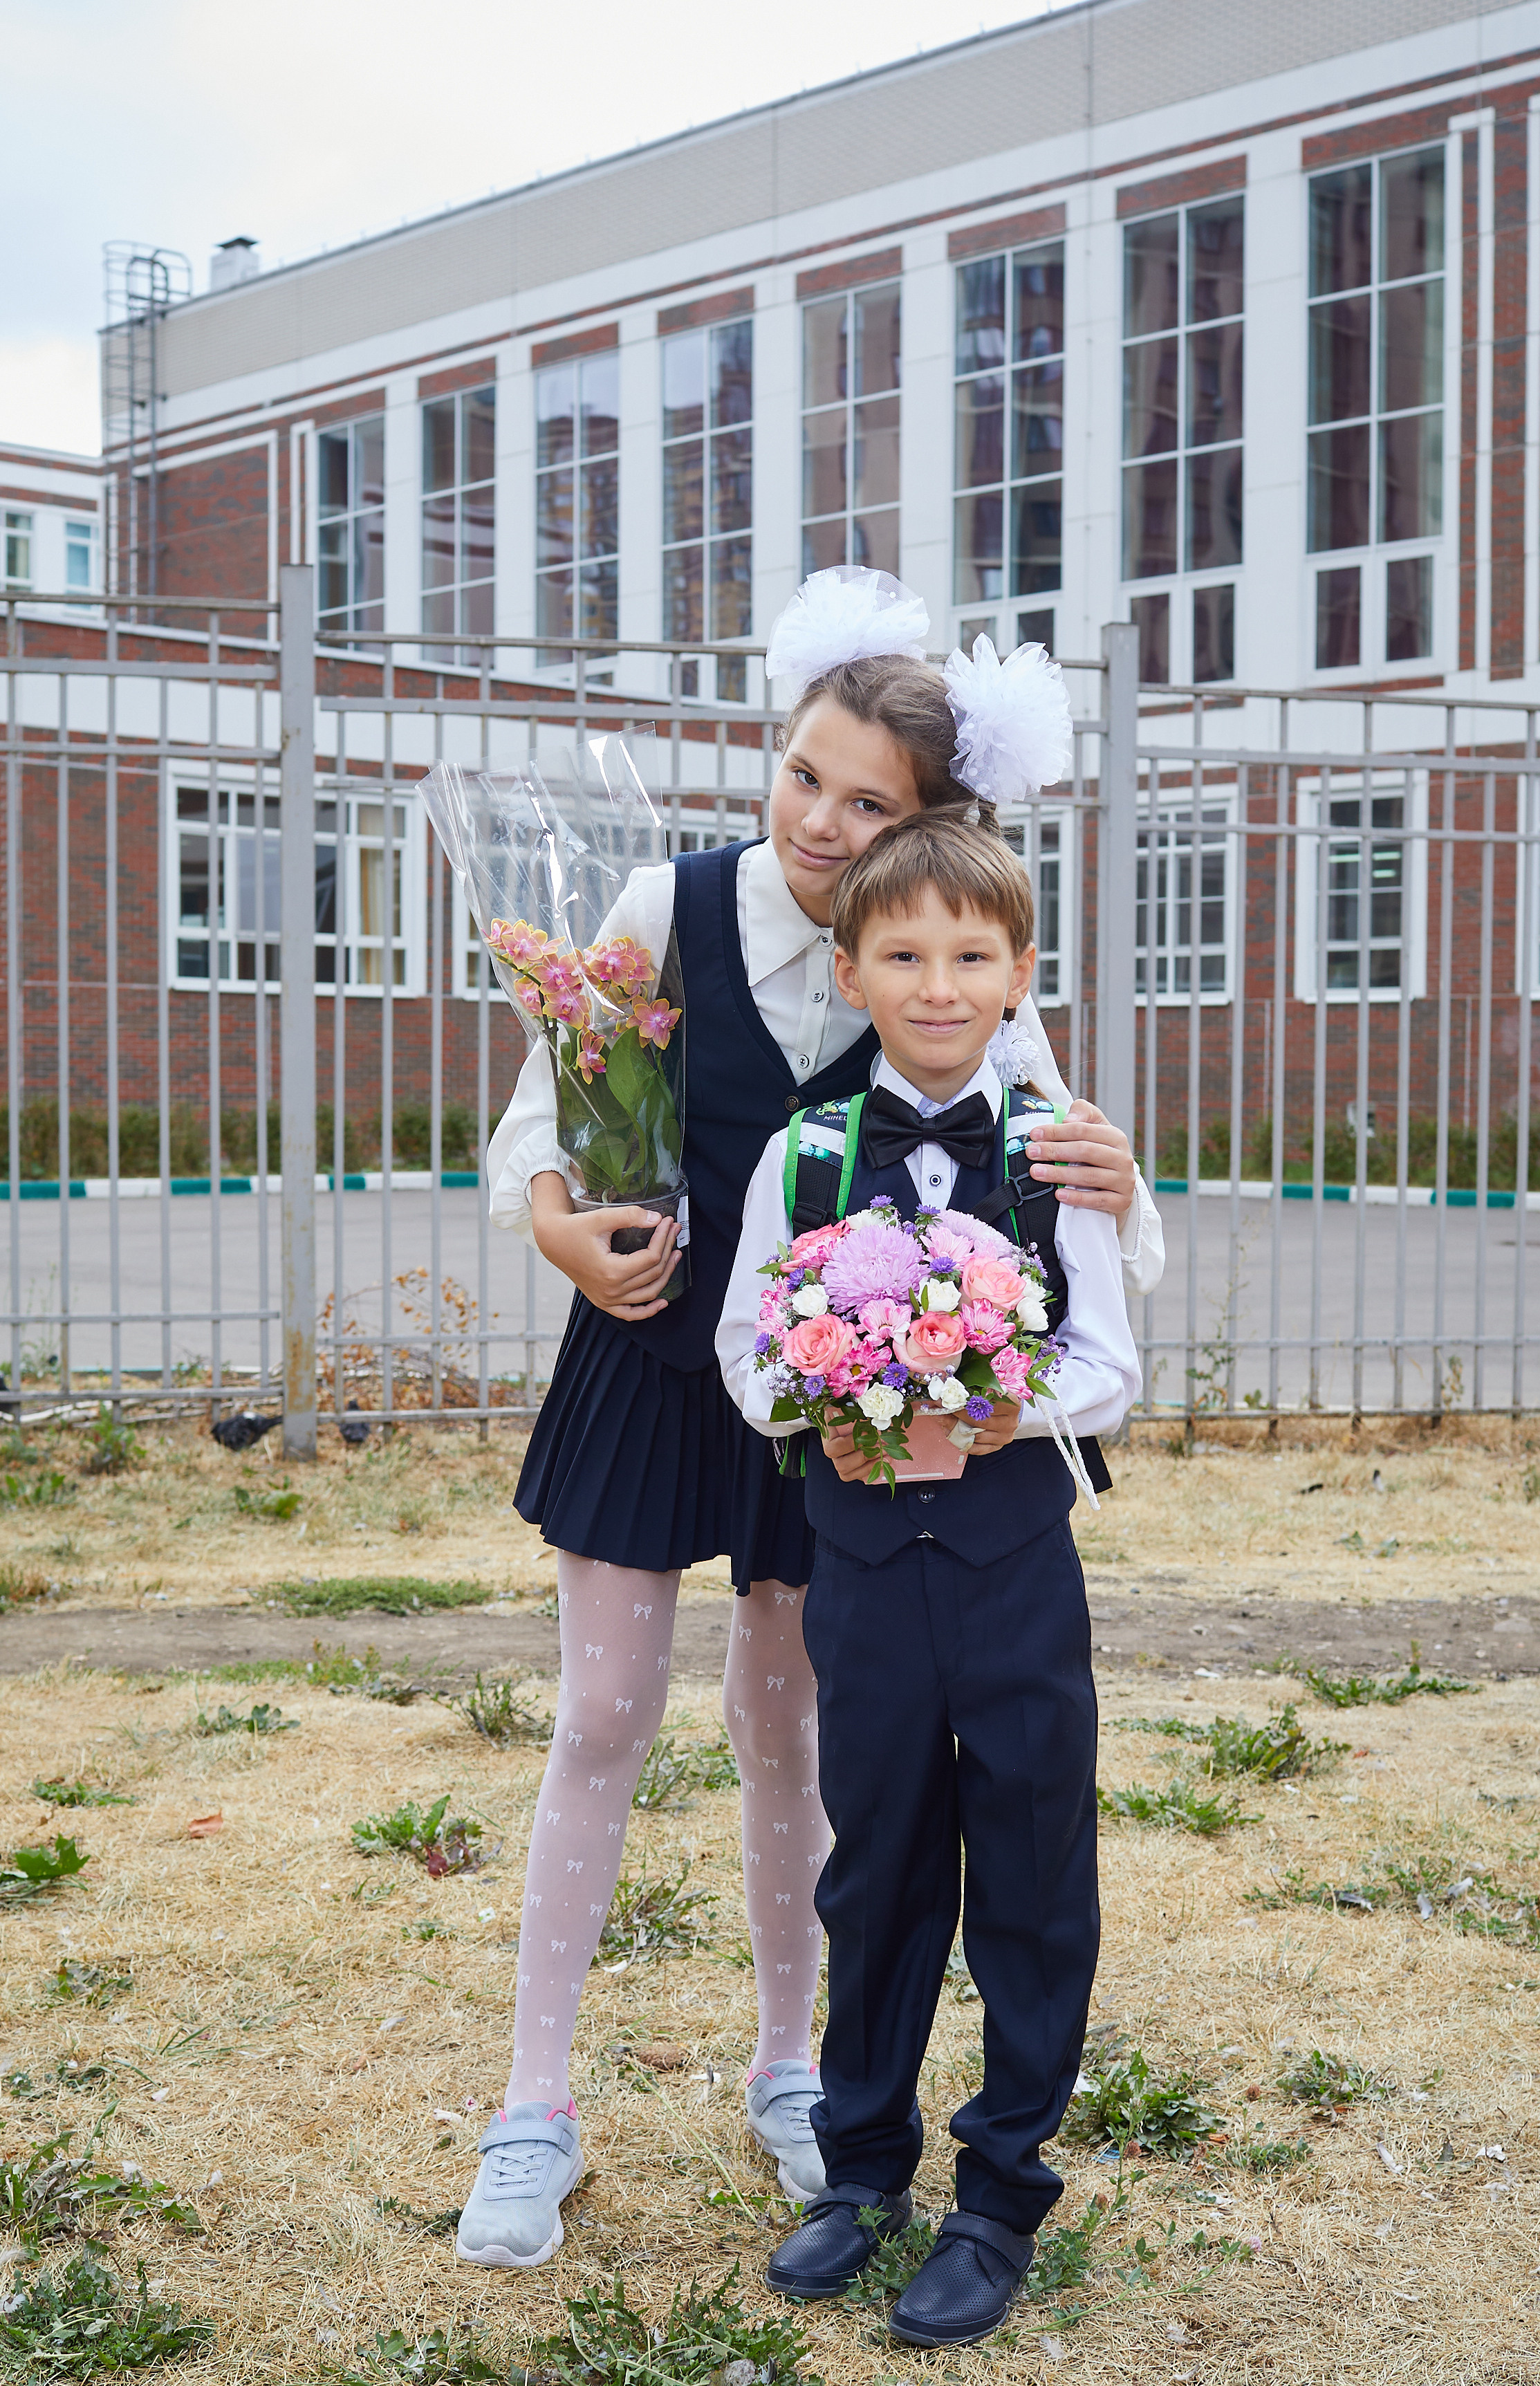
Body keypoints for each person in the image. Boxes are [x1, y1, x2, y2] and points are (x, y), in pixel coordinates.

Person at [456, 571, 1161, 2271]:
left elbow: (1071, 1185)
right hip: (643, 1371)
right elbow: (533, 1127)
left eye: (873, 805)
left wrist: (1125, 1186)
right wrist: (561, 1229)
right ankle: (533, 2107)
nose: (827, 823)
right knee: (604, 1713)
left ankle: (797, 2077)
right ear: (769, 756)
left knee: (797, 1734)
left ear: (933, 829)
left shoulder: (934, 956)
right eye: (805, 777)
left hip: (834, 1422)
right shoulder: (660, 898)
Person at [717, 808, 1140, 2349]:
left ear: (1021, 971)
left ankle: (1002, 2188)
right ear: (853, 970)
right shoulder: (805, 1152)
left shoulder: (1061, 1154)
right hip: (864, 1576)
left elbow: (1104, 1365)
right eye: (905, 954)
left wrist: (978, 1404)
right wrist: (841, 1393)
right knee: (878, 1858)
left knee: (1029, 1866)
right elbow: (746, 1363)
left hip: (1015, 1560)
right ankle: (860, 2164)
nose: (940, 982)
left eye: (973, 955)